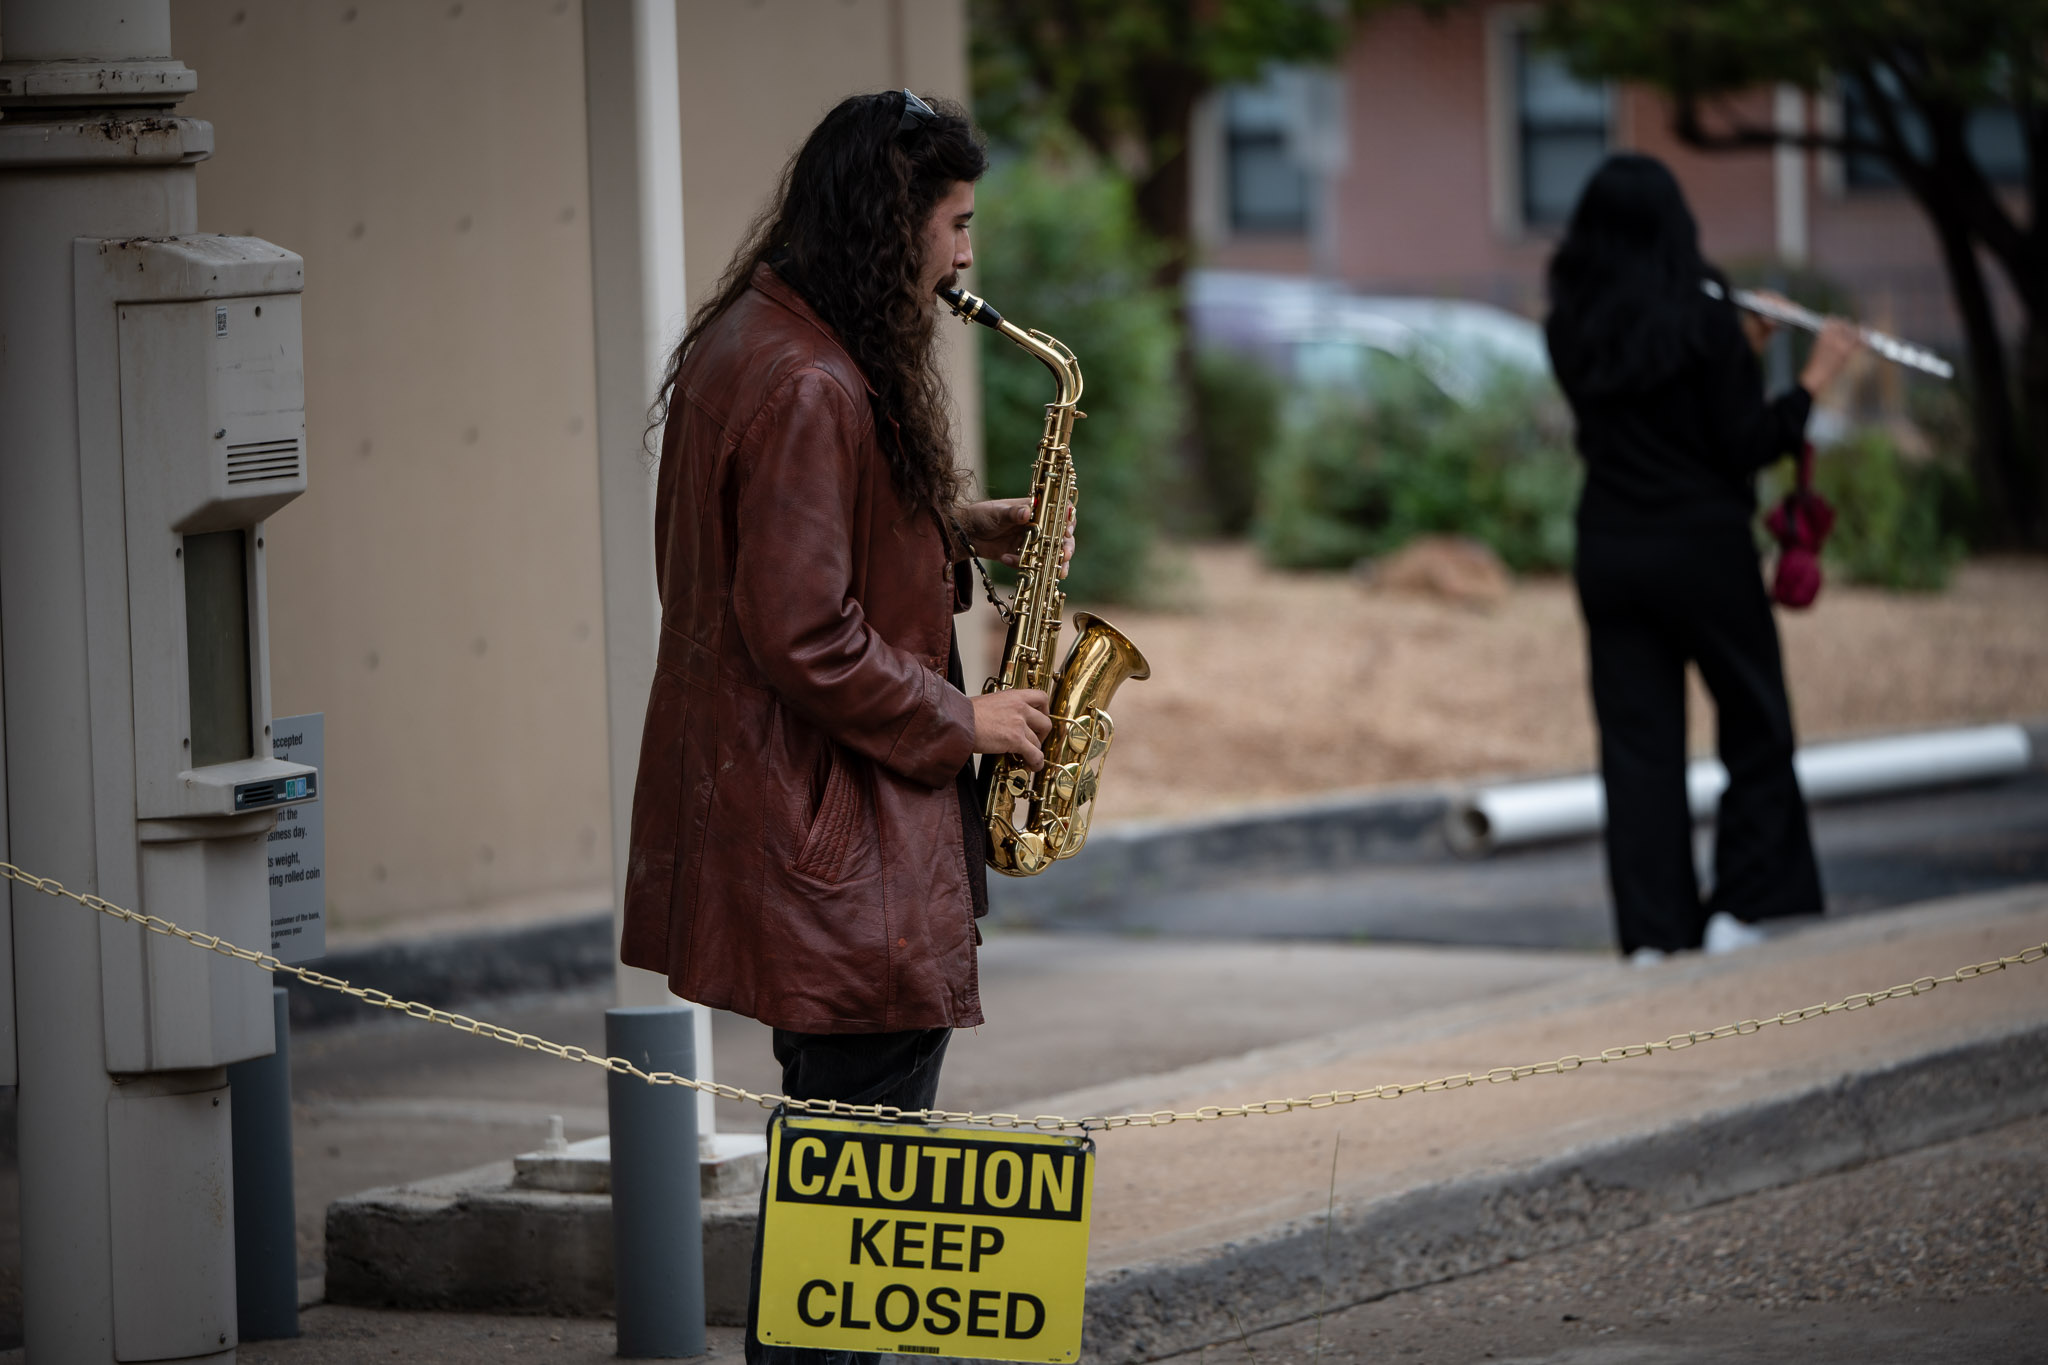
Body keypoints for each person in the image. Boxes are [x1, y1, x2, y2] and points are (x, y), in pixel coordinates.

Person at [620, 90, 1065, 1363]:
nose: (966, 253)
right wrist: (965, 718)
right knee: (856, 1208)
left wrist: (949, 527)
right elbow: (805, 634)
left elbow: (783, 560)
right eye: (955, 223)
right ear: (888, 222)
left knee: (837, 1173)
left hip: (795, 815)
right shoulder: (812, 381)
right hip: (838, 831)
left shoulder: (756, 338)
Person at [1544, 153, 1861, 964]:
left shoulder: (1571, 324)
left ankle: (1654, 934)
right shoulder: (1707, 320)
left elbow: (1650, 400)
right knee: (1755, 723)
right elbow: (1743, 442)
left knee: (1638, 751)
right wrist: (1814, 377)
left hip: (1610, 550)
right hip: (1704, 551)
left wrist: (1740, 347)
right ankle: (1741, 906)